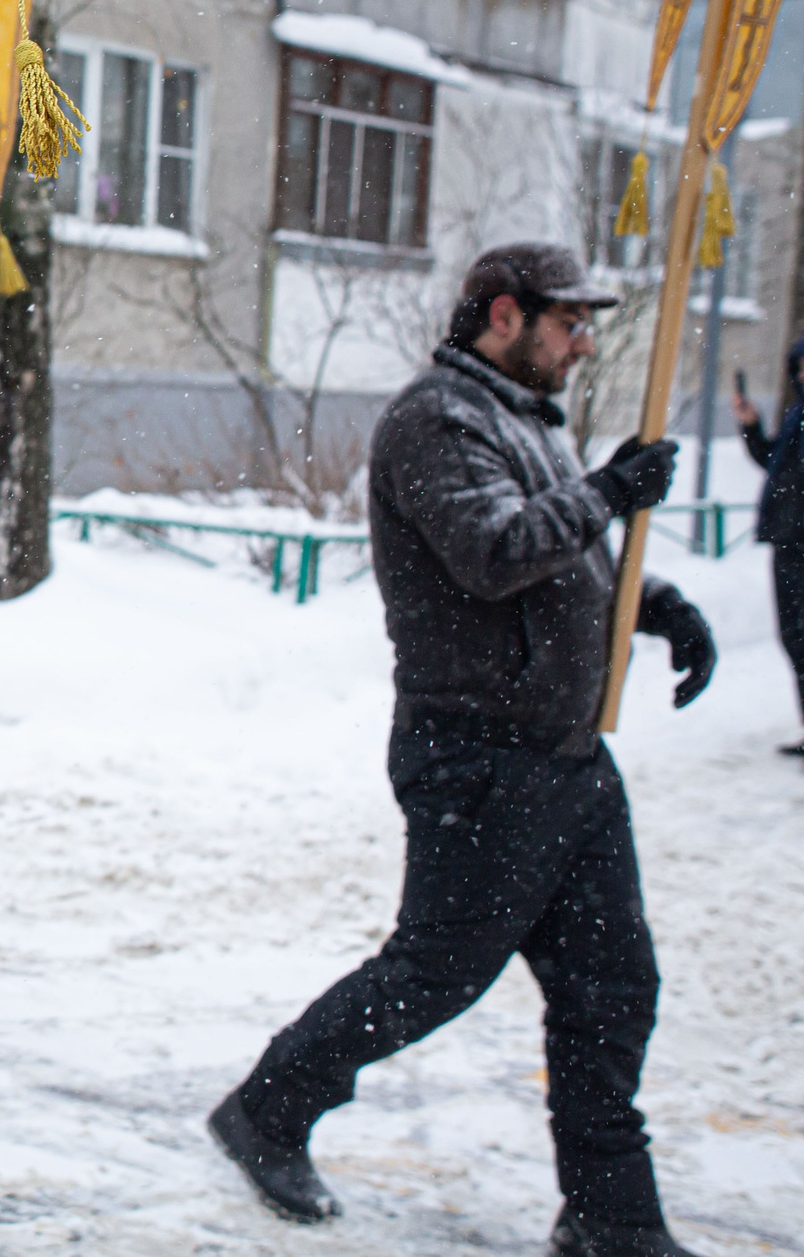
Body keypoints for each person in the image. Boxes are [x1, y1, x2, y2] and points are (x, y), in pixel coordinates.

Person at [209, 244, 719, 1257]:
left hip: (567, 755)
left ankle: (611, 1217)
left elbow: (570, 560)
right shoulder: (433, 420)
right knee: (433, 974)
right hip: (477, 754)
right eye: (566, 322)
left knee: (612, 985)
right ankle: (268, 1108)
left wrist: (659, 607)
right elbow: (493, 554)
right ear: (500, 315)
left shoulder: (525, 422)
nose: (581, 343)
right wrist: (612, 490)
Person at [730, 337, 804, 758]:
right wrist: (751, 426)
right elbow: (776, 462)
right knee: (793, 636)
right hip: (788, 541)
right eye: (800, 367)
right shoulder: (798, 415)